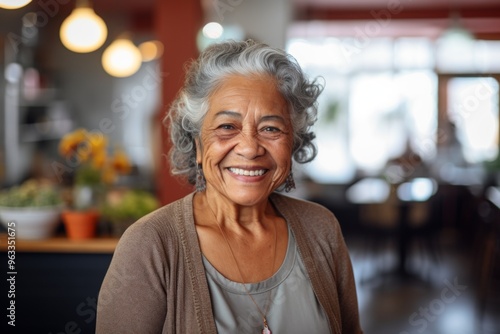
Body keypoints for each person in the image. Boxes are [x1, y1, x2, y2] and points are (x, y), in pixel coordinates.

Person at [96, 40, 363, 334]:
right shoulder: (150, 245)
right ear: (197, 144)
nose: (249, 148)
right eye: (227, 127)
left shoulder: (321, 229)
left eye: (271, 128)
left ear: (293, 143)